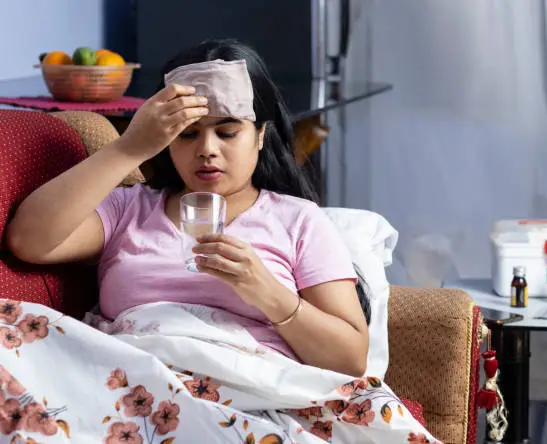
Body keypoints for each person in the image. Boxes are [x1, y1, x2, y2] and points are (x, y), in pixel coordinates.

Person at [6, 39, 369, 377]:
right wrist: (128, 148)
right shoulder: (128, 209)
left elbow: (350, 360)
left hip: (250, 395)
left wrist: (265, 290)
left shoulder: (299, 220)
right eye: (186, 133)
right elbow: (29, 242)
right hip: (134, 389)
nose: (207, 149)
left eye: (227, 132)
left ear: (260, 136)